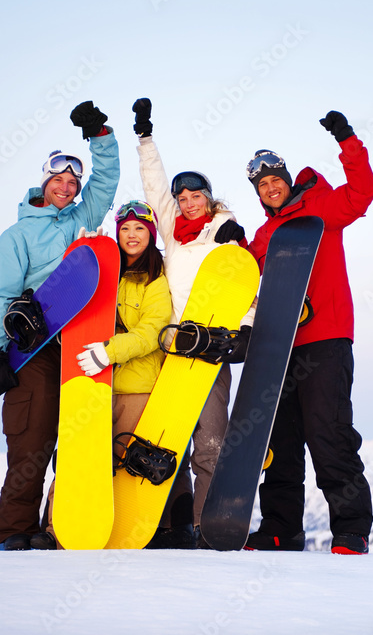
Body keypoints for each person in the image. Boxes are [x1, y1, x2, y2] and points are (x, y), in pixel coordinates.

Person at [0, 101, 119, 551]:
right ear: (44, 183)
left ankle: (57, 527)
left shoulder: (80, 217)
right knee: (32, 438)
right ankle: (16, 530)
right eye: (58, 180)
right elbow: (1, 296)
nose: (66, 187)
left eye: (72, 183)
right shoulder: (16, 236)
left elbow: (107, 180)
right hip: (34, 348)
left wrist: (99, 135)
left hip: (79, 339)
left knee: (78, 438)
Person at [244, 110, 373, 555]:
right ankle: (282, 529)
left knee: (329, 433)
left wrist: (347, 139)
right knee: (278, 442)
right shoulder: (264, 235)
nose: (270, 188)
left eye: (274, 179)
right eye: (261, 185)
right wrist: (229, 245)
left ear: (285, 179)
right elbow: (244, 278)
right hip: (278, 349)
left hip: (326, 339)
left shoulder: (323, 208)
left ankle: (351, 529)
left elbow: (363, 193)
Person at [132, 98, 253, 549]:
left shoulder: (224, 233)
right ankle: (169, 523)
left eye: (195, 197)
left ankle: (207, 524)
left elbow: (243, 288)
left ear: (209, 198)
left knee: (209, 439)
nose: (186, 204)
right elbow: (154, 187)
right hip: (169, 346)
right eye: (182, 199)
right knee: (166, 437)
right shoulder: (171, 233)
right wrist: (145, 138)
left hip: (207, 350)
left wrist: (245, 330)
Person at [38, 201, 175, 550]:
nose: (132, 235)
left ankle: (116, 534)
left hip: (134, 387)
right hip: (92, 385)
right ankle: (57, 531)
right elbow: (74, 312)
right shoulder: (105, 271)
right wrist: (84, 259)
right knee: (78, 457)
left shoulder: (155, 280)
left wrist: (108, 353)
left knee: (124, 462)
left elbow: (150, 332)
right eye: (126, 228)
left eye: (140, 229)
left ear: (151, 235)